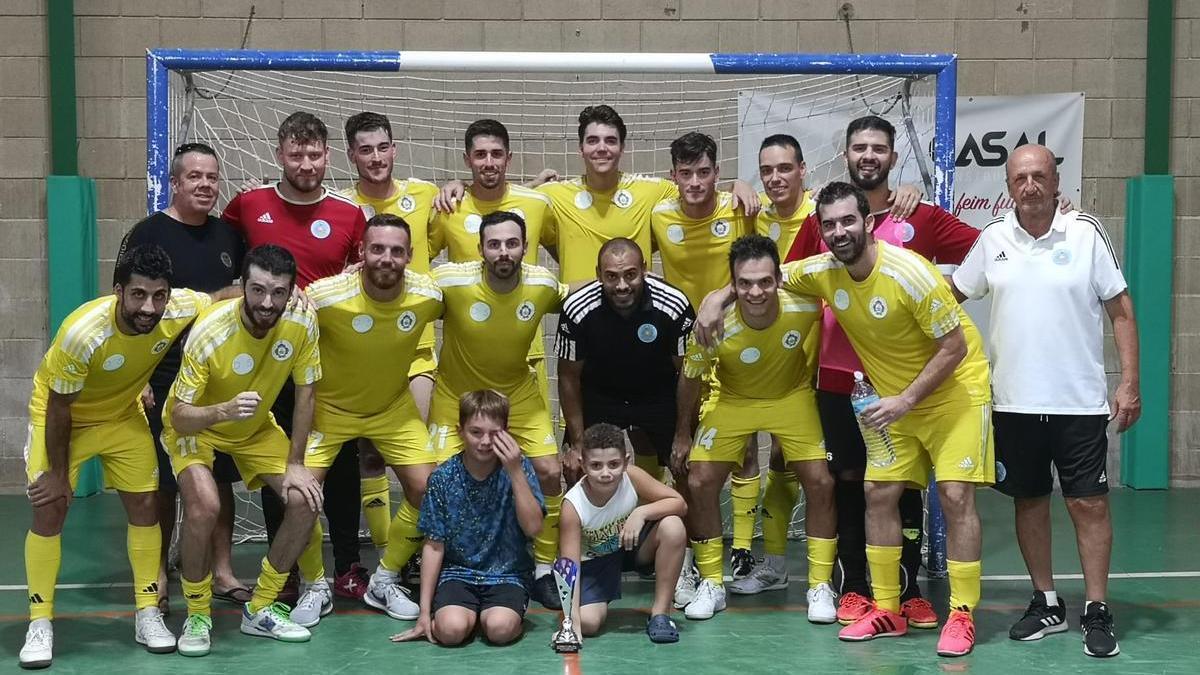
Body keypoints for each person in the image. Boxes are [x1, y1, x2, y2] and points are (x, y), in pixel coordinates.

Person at [698, 182, 993, 656]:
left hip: (953, 390)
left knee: (956, 495)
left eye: (848, 221)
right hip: (892, 398)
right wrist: (718, 297)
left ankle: (961, 612)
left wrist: (907, 400)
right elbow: (762, 277)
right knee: (879, 493)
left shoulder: (910, 273)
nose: (839, 232)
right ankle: (889, 608)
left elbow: (954, 347)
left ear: (869, 222)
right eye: (829, 224)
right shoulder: (821, 271)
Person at [784, 116, 980, 629]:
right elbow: (772, 278)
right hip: (849, 381)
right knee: (865, 486)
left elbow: (988, 258)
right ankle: (867, 597)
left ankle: (934, 601)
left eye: (878, 148)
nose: (838, 232)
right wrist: (719, 297)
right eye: (858, 147)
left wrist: (950, 299)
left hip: (926, 383)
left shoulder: (915, 240)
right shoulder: (822, 241)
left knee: (929, 490)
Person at [951, 144, 1139, 658]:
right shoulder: (993, 240)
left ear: (1056, 182)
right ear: (1008, 186)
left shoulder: (1086, 233)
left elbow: (1120, 311)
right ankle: (1047, 601)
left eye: (1039, 176)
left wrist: (1129, 383)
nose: (1029, 185)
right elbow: (950, 295)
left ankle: (1096, 608)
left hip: (1078, 404)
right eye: (1019, 178)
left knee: (1087, 503)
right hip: (1012, 402)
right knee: (1029, 501)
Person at [19, 245, 210, 668]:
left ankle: (146, 612)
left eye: (159, 295)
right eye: (139, 295)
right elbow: (59, 408)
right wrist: (56, 473)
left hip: (122, 416)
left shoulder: (177, 308)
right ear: (118, 291)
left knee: (146, 503)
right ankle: (40, 621)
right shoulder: (83, 332)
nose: (150, 306)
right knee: (50, 507)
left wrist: (294, 295)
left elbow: (221, 297)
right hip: (63, 417)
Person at [221, 111, 368, 603]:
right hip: (267, 362)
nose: (305, 163)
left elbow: (360, 282)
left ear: (328, 156)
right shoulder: (248, 205)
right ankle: (281, 569)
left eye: (314, 154)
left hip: (333, 360)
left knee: (341, 459)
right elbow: (230, 264)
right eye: (295, 154)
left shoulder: (349, 214)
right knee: (278, 459)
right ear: (279, 154)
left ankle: (347, 562)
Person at [165, 245, 323, 656]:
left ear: (292, 292)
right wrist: (222, 410)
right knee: (203, 506)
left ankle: (262, 607)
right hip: (199, 423)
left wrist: (296, 463)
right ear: (243, 286)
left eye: (278, 292)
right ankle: (197, 613)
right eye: (257, 290)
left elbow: (307, 393)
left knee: (305, 500)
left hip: (254, 429)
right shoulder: (210, 330)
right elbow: (179, 415)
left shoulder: (303, 319)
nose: (266, 303)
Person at [116, 141, 250, 615]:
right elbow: (125, 311)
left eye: (212, 177)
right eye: (194, 176)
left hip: (217, 376)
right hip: (162, 376)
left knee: (220, 478)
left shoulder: (229, 236)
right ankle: (157, 576)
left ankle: (223, 571)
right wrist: (139, 377)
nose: (205, 185)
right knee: (164, 484)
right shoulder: (148, 233)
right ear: (175, 182)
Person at [671, 235, 835, 622]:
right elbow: (691, 379)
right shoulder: (712, 324)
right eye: (744, 283)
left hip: (790, 398)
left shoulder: (805, 305)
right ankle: (712, 582)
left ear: (779, 278)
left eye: (764, 281)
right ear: (733, 284)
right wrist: (682, 432)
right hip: (733, 400)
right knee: (699, 480)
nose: (755, 291)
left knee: (821, 481)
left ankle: (819, 585)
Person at [292, 214, 444, 628]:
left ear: (410, 257)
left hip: (392, 408)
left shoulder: (428, 294)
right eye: (377, 249)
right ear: (361, 252)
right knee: (298, 496)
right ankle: (314, 584)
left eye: (397, 251)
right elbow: (282, 319)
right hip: (330, 411)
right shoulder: (324, 295)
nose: (387, 258)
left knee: (428, 490)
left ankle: (385, 577)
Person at [428, 210, 568, 610]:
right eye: (494, 244)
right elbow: (404, 287)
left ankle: (544, 568)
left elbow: (583, 293)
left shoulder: (541, 283)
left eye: (512, 243)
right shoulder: (451, 279)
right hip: (456, 394)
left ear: (526, 247)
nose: (503, 251)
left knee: (550, 470)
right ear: (480, 249)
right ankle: (407, 571)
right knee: (428, 482)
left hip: (516, 396)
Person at [647, 131, 763, 584]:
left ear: (718, 173)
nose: (695, 182)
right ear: (673, 176)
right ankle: (692, 548)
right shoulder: (658, 213)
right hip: (679, 351)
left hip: (735, 341)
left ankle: (742, 551)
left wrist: (720, 297)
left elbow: (760, 264)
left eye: (704, 172)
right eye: (685, 173)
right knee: (683, 455)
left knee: (746, 449)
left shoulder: (738, 208)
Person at [337, 111, 442, 571]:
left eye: (383, 147)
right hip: (359, 353)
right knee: (369, 456)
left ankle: (404, 554)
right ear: (351, 155)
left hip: (415, 348)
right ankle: (385, 554)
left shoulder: (427, 195)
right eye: (366, 149)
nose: (376, 157)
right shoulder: (339, 205)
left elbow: (469, 222)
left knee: (414, 458)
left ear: (395, 149)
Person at [390, 390, 546, 647]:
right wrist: (425, 613)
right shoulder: (442, 478)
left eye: (494, 433)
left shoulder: (520, 467)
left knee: (500, 630)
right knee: (449, 632)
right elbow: (433, 545)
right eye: (476, 432)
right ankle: (465, 615)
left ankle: (496, 615)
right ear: (459, 431)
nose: (485, 441)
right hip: (458, 573)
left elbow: (534, 528)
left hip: (508, 574)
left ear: (506, 431)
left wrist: (515, 471)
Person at [556, 238, 694, 483]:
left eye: (630, 274)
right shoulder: (577, 308)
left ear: (644, 269)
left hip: (658, 395)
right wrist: (577, 443)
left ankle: (670, 516)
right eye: (611, 276)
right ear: (598, 275)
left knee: (689, 469)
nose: (622, 285)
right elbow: (568, 376)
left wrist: (684, 434)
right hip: (600, 396)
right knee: (577, 467)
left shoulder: (674, 304)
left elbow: (688, 371)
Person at [559, 422, 688, 643]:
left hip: (629, 544)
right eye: (596, 465)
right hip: (594, 563)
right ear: (582, 464)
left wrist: (641, 513)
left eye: (614, 464)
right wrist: (574, 624)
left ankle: (661, 614)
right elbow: (569, 565)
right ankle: (577, 616)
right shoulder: (573, 505)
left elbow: (680, 503)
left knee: (673, 526)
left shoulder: (632, 477)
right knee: (589, 623)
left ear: (626, 462)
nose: (606, 473)